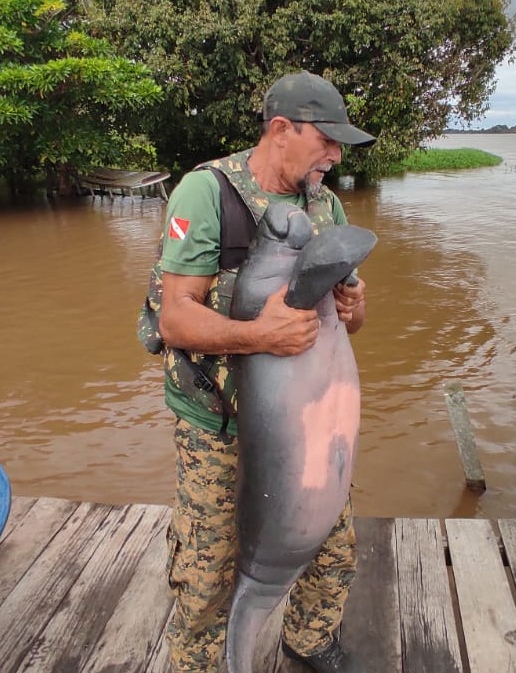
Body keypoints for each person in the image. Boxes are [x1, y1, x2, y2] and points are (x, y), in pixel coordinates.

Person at [147, 71, 375, 673]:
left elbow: (337, 324)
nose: (335, 154)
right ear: (281, 130)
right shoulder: (208, 192)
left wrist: (353, 308)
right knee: (208, 573)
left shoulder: (323, 202)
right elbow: (175, 319)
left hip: (304, 423)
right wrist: (257, 336)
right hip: (217, 427)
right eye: (326, 140)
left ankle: (309, 637)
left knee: (333, 550)